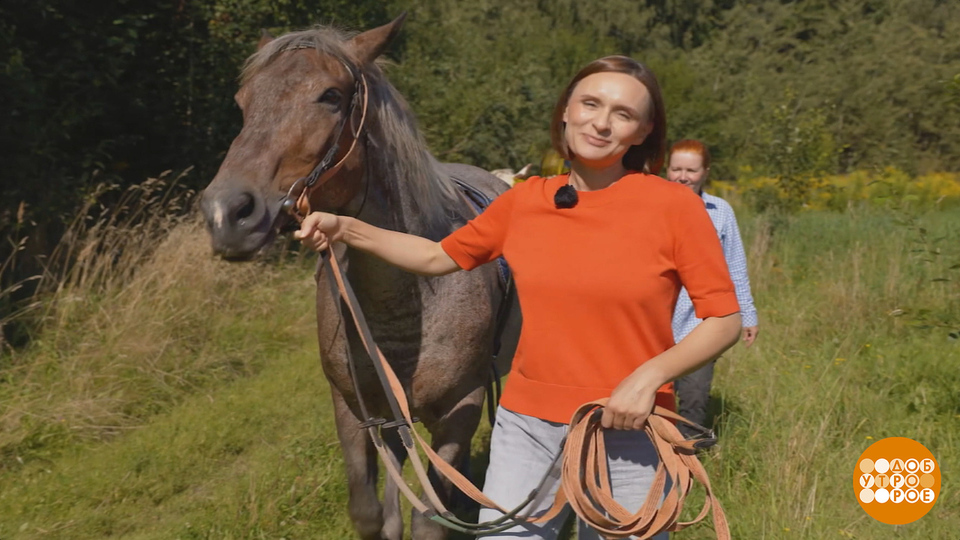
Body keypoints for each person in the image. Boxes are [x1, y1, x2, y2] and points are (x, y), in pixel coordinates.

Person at [296, 56, 741, 540]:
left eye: (623, 114)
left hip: (629, 427)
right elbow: (435, 257)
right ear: (566, 112)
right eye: (590, 103)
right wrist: (348, 227)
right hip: (526, 428)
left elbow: (723, 319)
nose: (601, 121)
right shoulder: (525, 201)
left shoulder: (674, 207)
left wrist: (649, 378)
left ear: (642, 132)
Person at [665, 139, 759, 439]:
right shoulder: (652, 207)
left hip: (700, 324)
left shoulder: (721, 211)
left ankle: (689, 467)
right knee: (654, 396)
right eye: (676, 168)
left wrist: (748, 314)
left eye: (691, 170)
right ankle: (650, 461)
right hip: (655, 323)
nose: (682, 176)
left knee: (693, 397)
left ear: (705, 172)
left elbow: (735, 266)